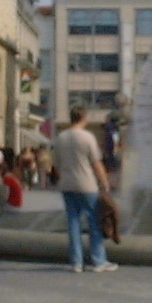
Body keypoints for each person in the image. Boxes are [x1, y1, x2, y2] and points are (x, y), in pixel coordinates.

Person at [52, 105, 116, 273]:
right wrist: (105, 183)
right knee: (94, 221)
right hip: (86, 184)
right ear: (84, 118)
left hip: (67, 184)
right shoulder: (87, 137)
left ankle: (76, 262)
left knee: (73, 222)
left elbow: (56, 164)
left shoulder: (61, 137)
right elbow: (96, 163)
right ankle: (98, 260)